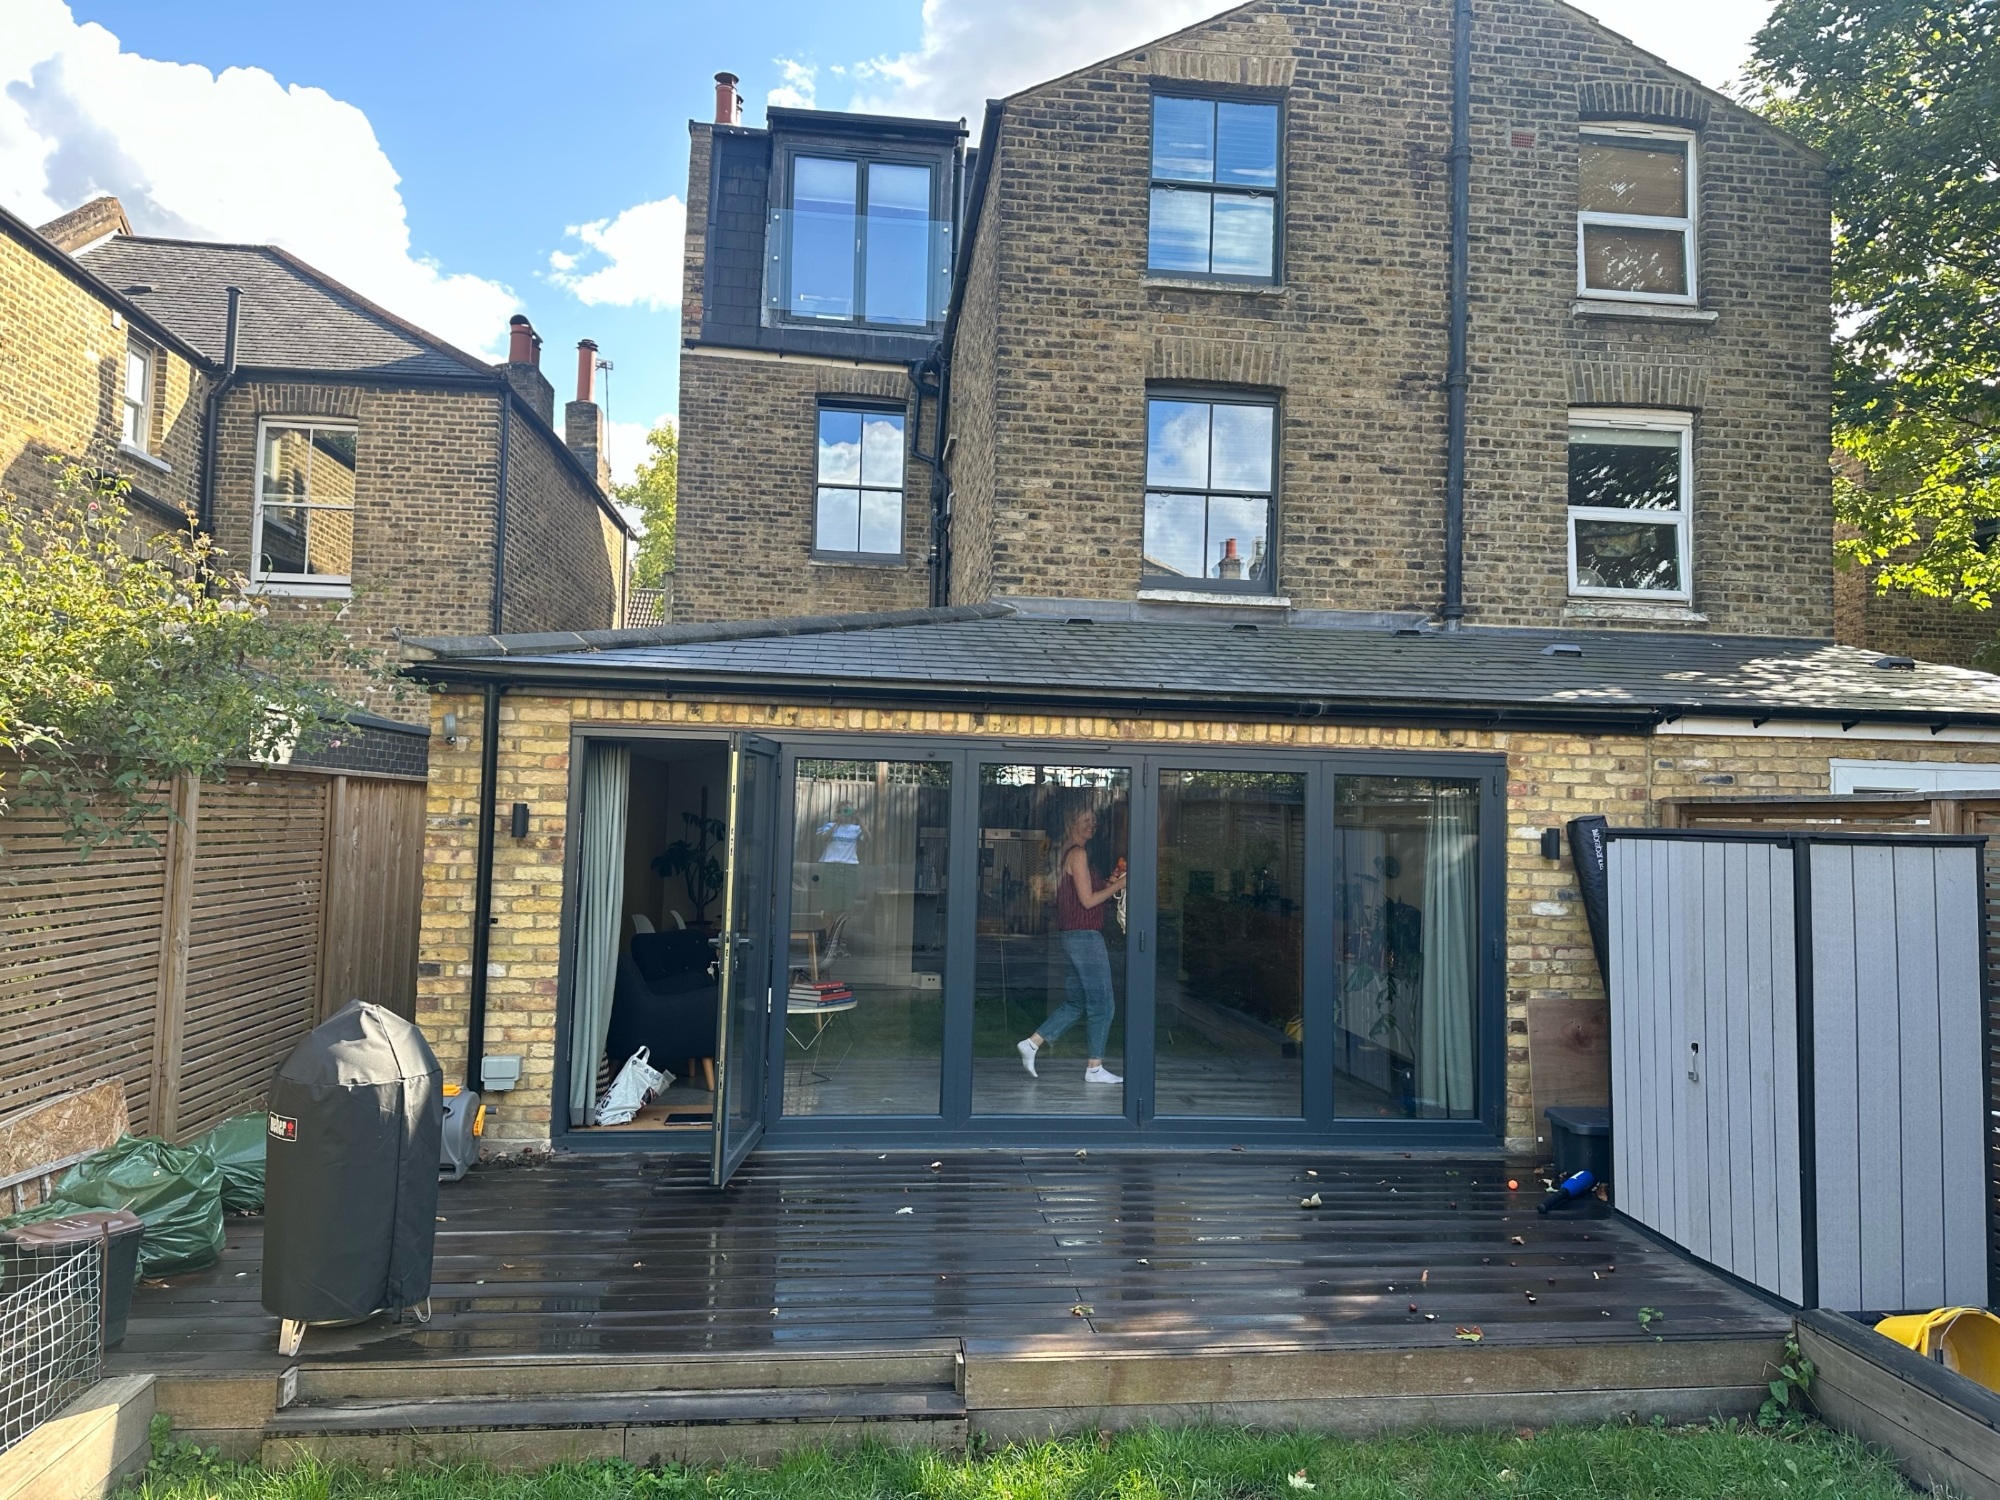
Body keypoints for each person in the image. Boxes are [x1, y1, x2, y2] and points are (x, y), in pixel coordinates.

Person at [1017, 801, 1128, 1084]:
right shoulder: (1077, 854)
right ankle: (1094, 1068)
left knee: (1077, 1001)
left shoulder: (1065, 852)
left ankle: (1031, 1044)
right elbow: (1088, 901)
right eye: (1086, 819)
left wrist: (1108, 882)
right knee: (1103, 1004)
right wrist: (1120, 886)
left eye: (1094, 821)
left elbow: (1082, 894)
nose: (1092, 825)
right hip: (1084, 936)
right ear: (1071, 822)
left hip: (1071, 935)